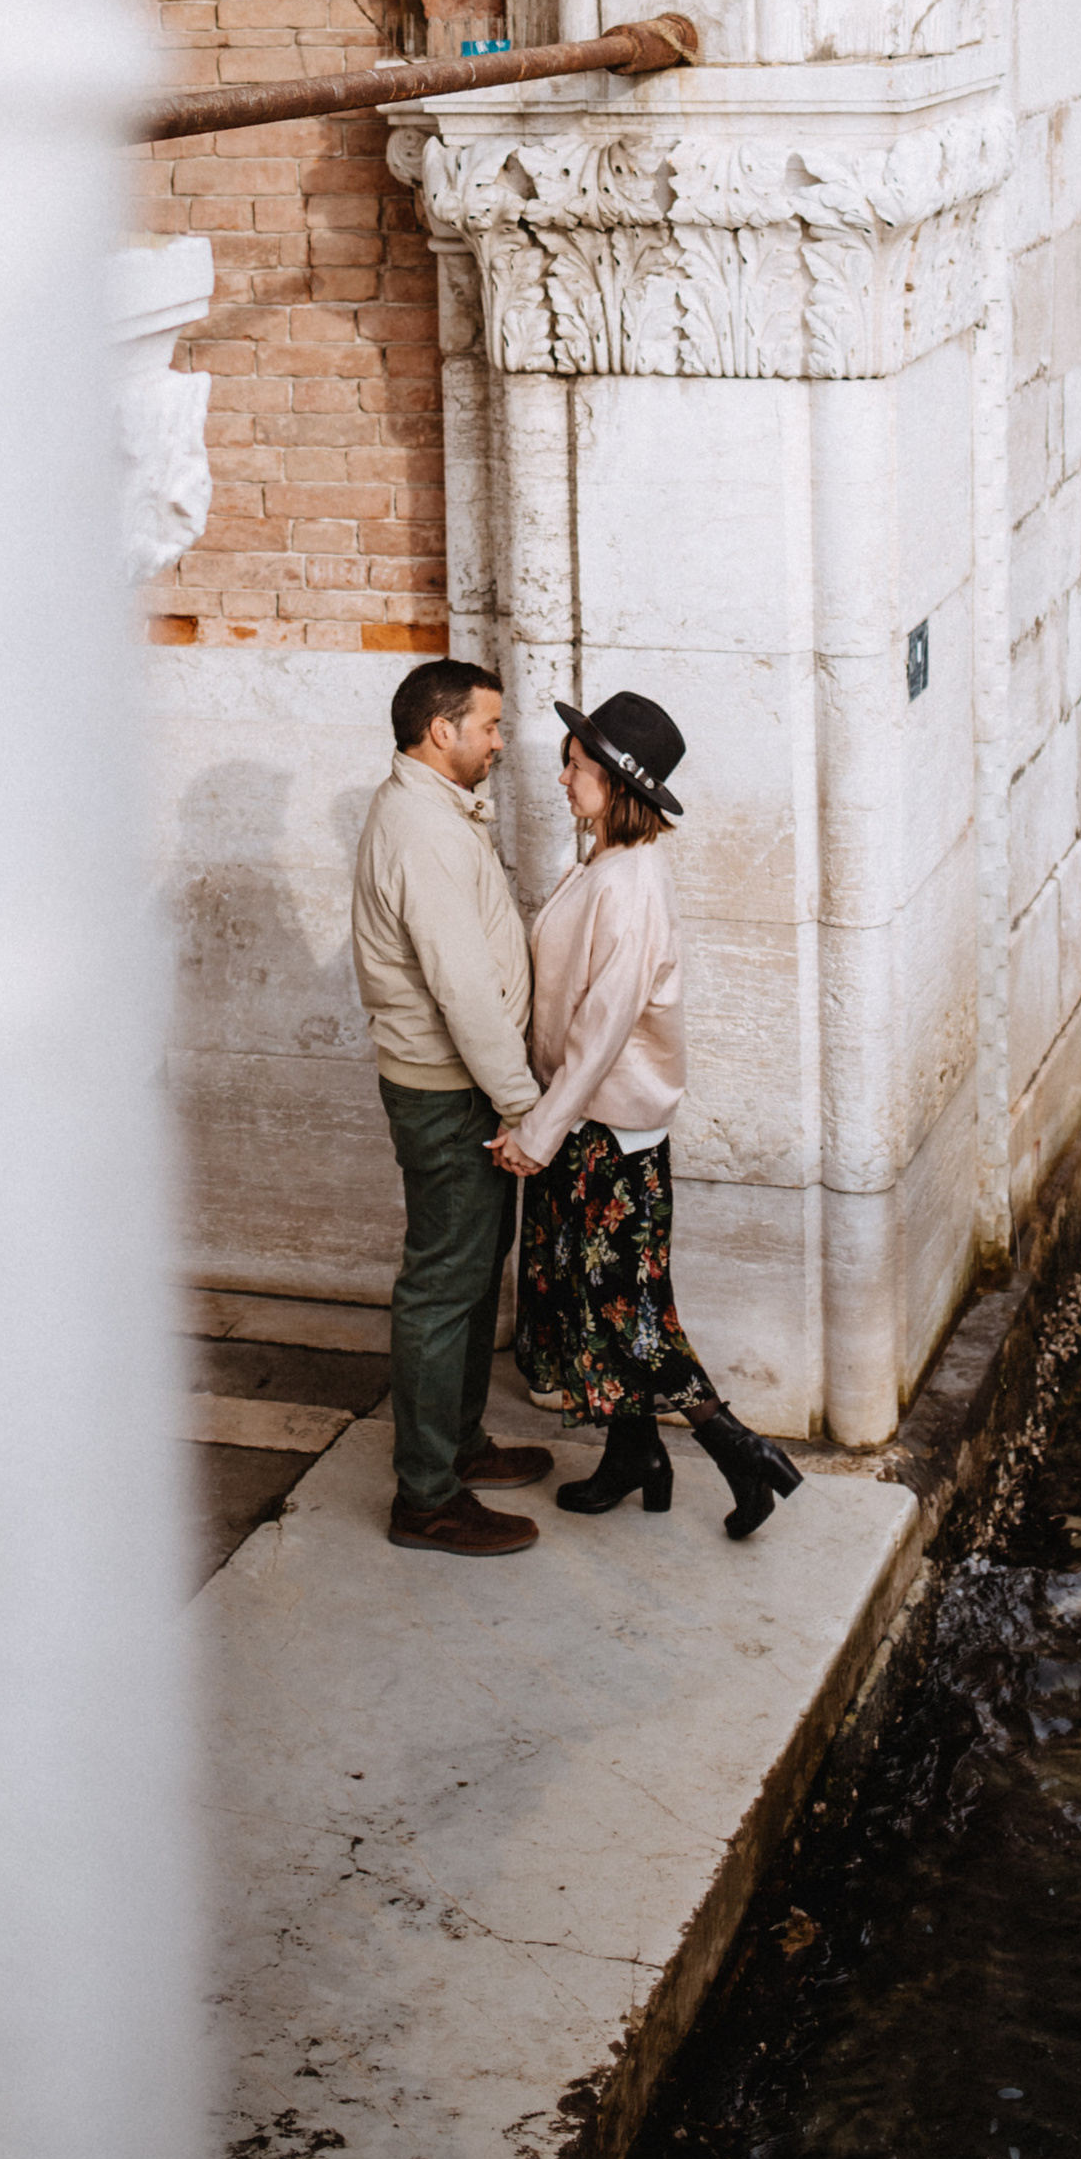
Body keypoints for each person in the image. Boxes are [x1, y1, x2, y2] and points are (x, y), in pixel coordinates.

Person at [490, 691, 801, 1539]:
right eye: (567, 762)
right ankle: (637, 1457)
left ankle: (744, 1453)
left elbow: (601, 1028)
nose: (562, 779)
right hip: (590, 1128)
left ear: (618, 784)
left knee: (632, 1316)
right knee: (599, 1306)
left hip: (605, 1138)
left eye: (577, 768)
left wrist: (538, 1132)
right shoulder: (603, 864)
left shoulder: (628, 882)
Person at [350, 658, 555, 1558]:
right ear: (443, 731)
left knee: (473, 1270)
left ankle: (460, 1448)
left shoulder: (431, 812)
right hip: (452, 1093)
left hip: (463, 1086)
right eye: (490, 727)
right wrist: (525, 1106)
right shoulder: (423, 830)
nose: (499, 743)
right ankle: (426, 1497)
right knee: (442, 1284)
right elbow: (463, 988)